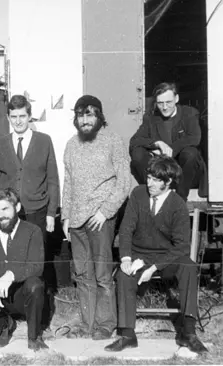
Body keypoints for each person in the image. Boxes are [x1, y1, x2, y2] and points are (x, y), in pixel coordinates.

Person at [104, 155, 208, 354]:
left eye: (156, 180)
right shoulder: (138, 194)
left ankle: (188, 333)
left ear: (168, 182)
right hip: (139, 255)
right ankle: (127, 335)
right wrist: (126, 258)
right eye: (148, 178)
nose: (149, 183)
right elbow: (126, 229)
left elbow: (181, 247)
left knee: (189, 267)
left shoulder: (177, 204)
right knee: (123, 275)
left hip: (167, 258)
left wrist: (154, 268)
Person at [62, 95, 131, 340]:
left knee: (102, 275)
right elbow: (68, 183)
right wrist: (66, 217)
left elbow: (124, 182)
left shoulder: (113, 141)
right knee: (82, 275)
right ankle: (86, 324)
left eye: (90, 114)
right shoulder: (71, 144)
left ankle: (105, 324)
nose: (85, 120)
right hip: (77, 221)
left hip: (101, 218)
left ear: (100, 117)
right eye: (81, 115)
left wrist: (105, 212)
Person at [0, 94, 59, 325]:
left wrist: (51, 212)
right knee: (11, 257)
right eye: (13, 117)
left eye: (22, 116)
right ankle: (14, 309)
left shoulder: (44, 141)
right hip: (10, 214)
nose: (18, 121)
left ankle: (41, 315)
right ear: (8, 117)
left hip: (37, 210)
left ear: (30, 117)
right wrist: (0, 210)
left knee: (37, 260)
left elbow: (53, 179)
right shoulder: (1, 144)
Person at [0, 188, 48, 351]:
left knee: (35, 285)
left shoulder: (33, 231)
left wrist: (11, 275)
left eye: (5, 209)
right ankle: (4, 325)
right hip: (0, 298)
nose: (1, 215)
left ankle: (34, 336)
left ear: (17, 208)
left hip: (24, 295)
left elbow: (36, 266)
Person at [129, 82, 206, 201]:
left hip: (186, 176)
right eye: (160, 103)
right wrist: (157, 143)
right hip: (162, 174)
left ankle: (180, 200)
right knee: (137, 153)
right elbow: (135, 140)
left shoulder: (189, 113)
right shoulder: (150, 118)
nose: (164, 107)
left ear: (176, 98)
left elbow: (194, 137)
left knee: (190, 152)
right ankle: (154, 194)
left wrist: (169, 150)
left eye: (168, 102)